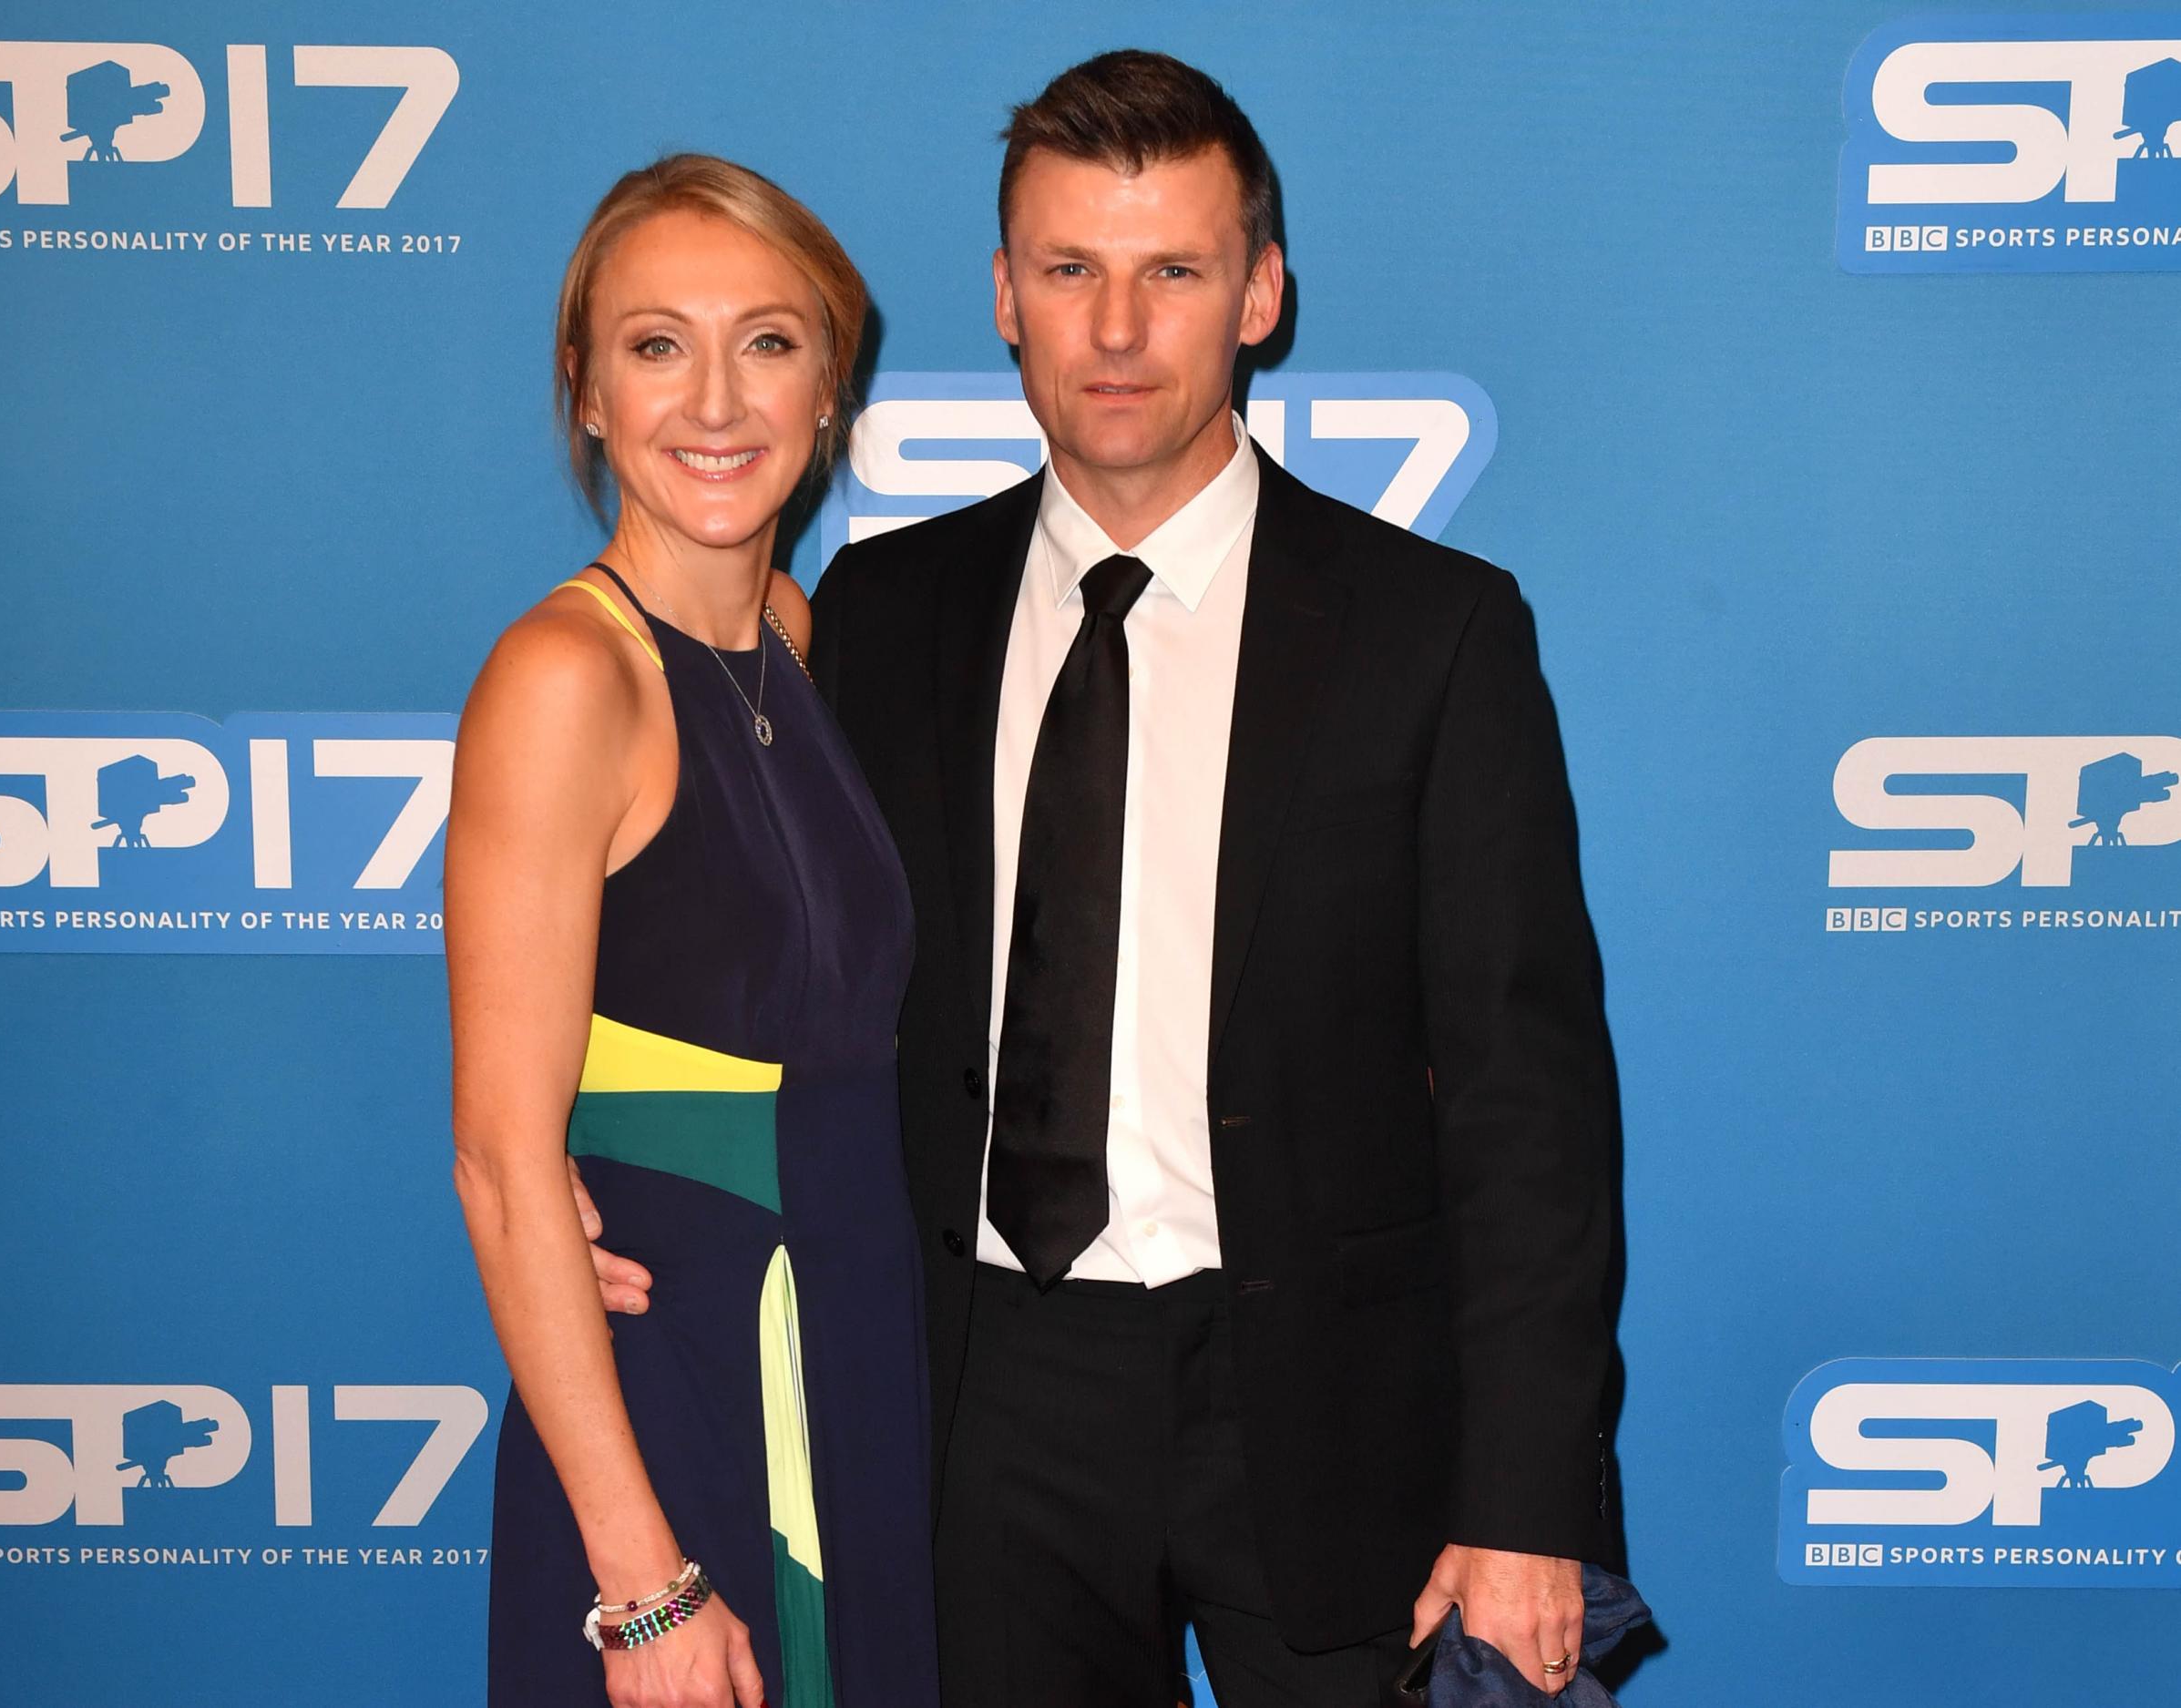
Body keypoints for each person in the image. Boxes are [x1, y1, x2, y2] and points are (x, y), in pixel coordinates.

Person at [589, 50, 1618, 1705]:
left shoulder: (1434, 636)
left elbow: (1531, 1112)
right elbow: (739, 945)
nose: (1118, 331)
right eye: (1070, 271)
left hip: (1329, 1408)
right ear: (1005, 294)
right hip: (977, 1401)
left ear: (1261, 294)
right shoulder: (875, 614)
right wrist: (609, 1179)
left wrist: (1525, 1502)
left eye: (1172, 273)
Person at [449, 154, 937, 1708]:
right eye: (657, 345)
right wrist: (643, 1588)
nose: (715, 401)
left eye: (768, 341)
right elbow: (504, 1161)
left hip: (858, 1344)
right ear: (587, 392)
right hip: (684, 1398)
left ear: (829, 383)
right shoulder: (563, 681)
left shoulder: (796, 633)